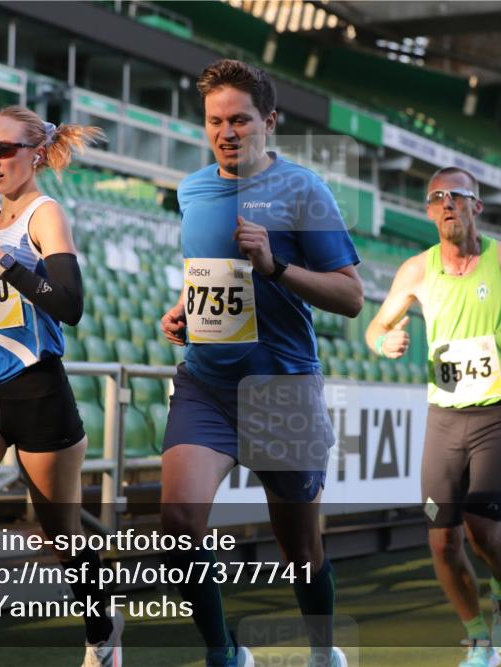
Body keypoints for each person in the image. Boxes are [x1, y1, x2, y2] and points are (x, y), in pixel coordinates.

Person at [159, 59, 363, 667]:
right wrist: (182, 310)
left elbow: (352, 297)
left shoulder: (305, 190)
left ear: (269, 122)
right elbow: (210, 274)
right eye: (215, 121)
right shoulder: (191, 189)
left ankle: (324, 652)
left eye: (240, 120)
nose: (227, 132)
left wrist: (276, 265)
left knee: (300, 550)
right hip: (207, 384)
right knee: (176, 522)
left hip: (282, 389)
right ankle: (225, 653)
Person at [0, 106, 122, 667]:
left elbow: (69, 305)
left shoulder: (46, 214)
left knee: (59, 538)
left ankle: (102, 635)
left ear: (36, 154)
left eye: (6, 149)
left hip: (37, 392)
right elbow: (1, 307)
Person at [365, 167, 501, 667]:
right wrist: (384, 340)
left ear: (477, 206)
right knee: (440, 540)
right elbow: (375, 326)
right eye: (437, 198)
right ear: (430, 213)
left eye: (457, 195)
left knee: (479, 527)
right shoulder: (416, 270)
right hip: (444, 419)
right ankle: (478, 639)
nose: (447, 203)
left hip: (497, 414)